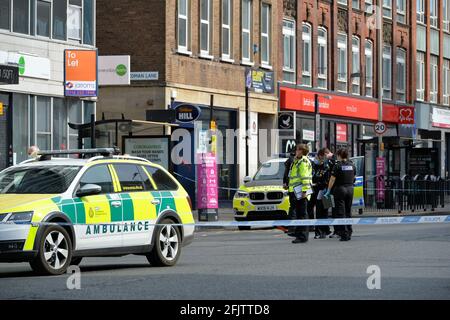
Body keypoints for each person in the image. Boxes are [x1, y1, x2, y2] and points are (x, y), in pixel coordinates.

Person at [324, 148, 356, 241]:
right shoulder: (352, 165)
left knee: (341, 212)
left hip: (340, 189)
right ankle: (349, 231)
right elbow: (354, 177)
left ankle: (344, 233)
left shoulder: (337, 166)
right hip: (350, 189)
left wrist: (328, 190)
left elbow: (332, 179)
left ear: (339, 155)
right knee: (348, 211)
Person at [288, 143, 313, 244]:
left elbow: (305, 177)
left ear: (302, 151)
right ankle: (299, 234)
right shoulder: (296, 161)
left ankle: (302, 236)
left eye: (298, 150)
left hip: (300, 192)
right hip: (295, 191)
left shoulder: (302, 162)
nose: (296, 151)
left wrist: (304, 191)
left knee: (302, 214)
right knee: (299, 214)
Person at [312, 148, 332, 239]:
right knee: (320, 211)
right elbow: (314, 177)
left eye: (326, 156)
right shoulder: (315, 165)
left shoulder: (329, 164)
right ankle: (319, 231)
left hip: (327, 190)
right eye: (322, 156)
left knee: (325, 211)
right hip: (319, 190)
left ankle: (326, 230)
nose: (324, 158)